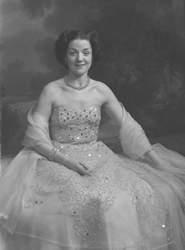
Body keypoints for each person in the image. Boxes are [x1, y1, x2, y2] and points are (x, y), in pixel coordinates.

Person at [0, 30, 185, 250]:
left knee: (127, 198)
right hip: (56, 157)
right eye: (73, 53)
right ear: (65, 56)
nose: (80, 59)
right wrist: (66, 161)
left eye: (85, 53)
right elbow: (35, 135)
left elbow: (128, 126)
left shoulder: (101, 89)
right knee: (73, 201)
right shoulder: (51, 90)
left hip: (98, 157)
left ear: (92, 55)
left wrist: (154, 157)